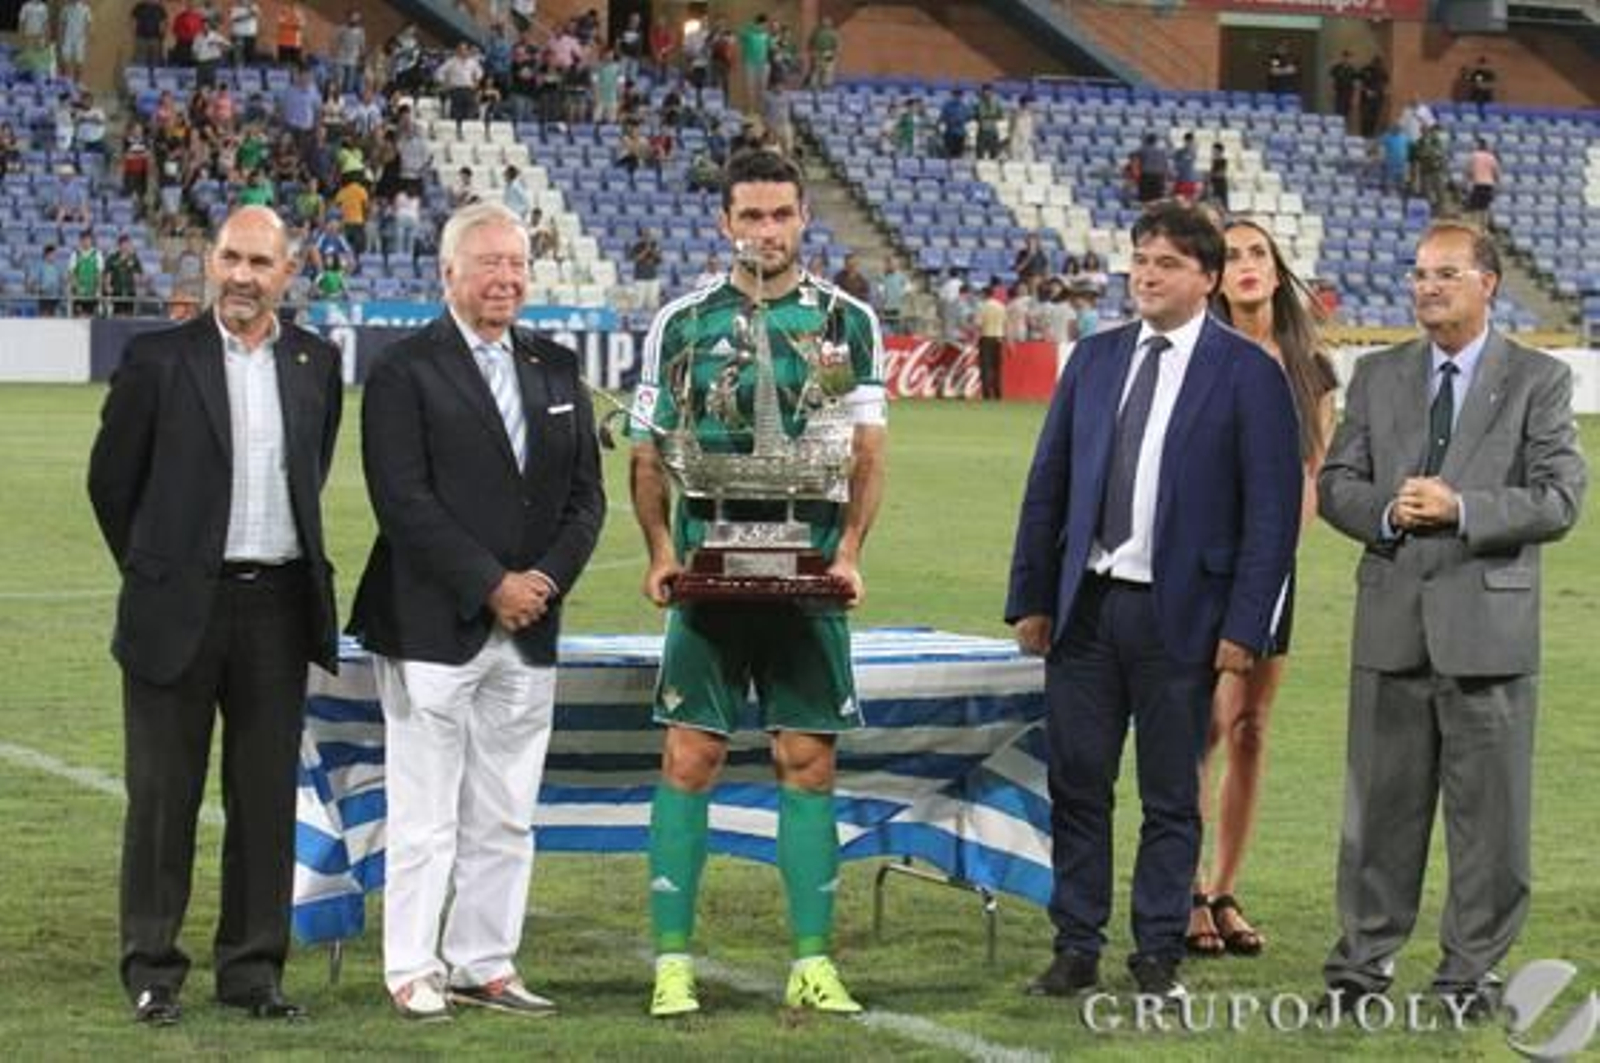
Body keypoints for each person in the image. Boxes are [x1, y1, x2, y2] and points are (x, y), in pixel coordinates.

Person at [1006, 202, 1302, 1004]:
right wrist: (1031, 595)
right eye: (1140, 259)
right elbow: (1047, 485)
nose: (1146, 274)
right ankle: (1076, 945)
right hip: (1086, 607)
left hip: (1184, 616)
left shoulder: (1249, 373)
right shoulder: (1095, 358)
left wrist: (1248, 625)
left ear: (1207, 278)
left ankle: (1158, 953)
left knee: (1171, 795)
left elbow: (1271, 516)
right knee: (1077, 784)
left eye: (1166, 263)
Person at [628, 150, 887, 1019]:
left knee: (807, 759)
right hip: (709, 569)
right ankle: (673, 964)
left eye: (781, 214)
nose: (766, 231)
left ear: (804, 217)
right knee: (689, 754)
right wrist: (659, 550)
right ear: (725, 222)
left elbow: (863, 447)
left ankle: (812, 961)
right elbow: (647, 450)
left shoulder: (841, 323)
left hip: (808, 572)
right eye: (751, 215)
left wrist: (850, 552)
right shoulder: (684, 324)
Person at [1318, 222, 1585, 1020]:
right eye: (1418, 274)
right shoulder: (1378, 375)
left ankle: (1469, 977)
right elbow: (1336, 483)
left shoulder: (1538, 379)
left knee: (1491, 827)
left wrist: (1463, 508)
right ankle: (1360, 971)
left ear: (1488, 284)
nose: (1426, 287)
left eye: (1445, 273)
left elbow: (1559, 497)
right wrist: (1387, 511)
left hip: (1488, 637)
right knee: (1377, 818)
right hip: (1390, 626)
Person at [348, 201, 606, 1022]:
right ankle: (411, 967)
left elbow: (586, 500)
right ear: (448, 272)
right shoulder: (402, 369)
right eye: (489, 262)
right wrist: (492, 583)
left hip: (530, 627)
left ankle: (484, 962)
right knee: (424, 812)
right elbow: (403, 500)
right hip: (432, 622)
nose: (506, 278)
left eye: (517, 263)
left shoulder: (557, 366)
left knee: (506, 811)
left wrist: (543, 582)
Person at [87, 206, 342, 1027]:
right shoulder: (157, 359)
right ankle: (153, 968)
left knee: (265, 801)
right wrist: (160, 567)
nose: (242, 275)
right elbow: (111, 483)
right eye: (230, 257)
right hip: (176, 608)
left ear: (288, 273)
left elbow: (311, 469)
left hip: (278, 607)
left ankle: (252, 970)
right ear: (209, 262)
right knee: (162, 799)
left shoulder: (316, 361)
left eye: (260, 262)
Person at [1185, 219, 1339, 958]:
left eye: (1259, 254)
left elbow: (1314, 475)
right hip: (1200, 565)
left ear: (1277, 273)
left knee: (1249, 728)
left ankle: (1223, 890)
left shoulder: (1310, 369)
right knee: (1203, 728)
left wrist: (1270, 562)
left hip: (1271, 569)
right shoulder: (1196, 354)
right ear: (1215, 275)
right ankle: (1184, 889)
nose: (1247, 265)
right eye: (1232, 255)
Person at [976, 279, 1007, 400]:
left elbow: (978, 324)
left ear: (984, 294)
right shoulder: (1001, 306)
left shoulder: (982, 306)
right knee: (996, 367)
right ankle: (998, 392)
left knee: (986, 367)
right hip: (998, 338)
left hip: (986, 337)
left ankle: (987, 393)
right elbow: (1005, 324)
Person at [1464, 138, 1500, 225]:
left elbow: (1468, 171)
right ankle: (1484, 226)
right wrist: (1498, 185)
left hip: (1478, 183)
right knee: (1485, 207)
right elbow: (1497, 173)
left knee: (1475, 207)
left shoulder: (1473, 156)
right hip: (1489, 184)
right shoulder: (1491, 157)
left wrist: (1466, 182)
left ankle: (1476, 225)